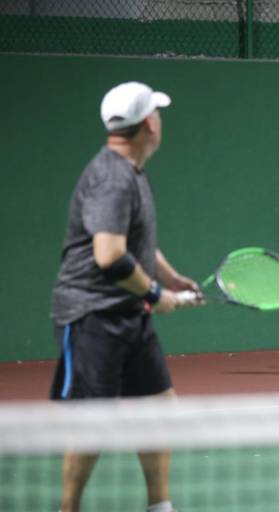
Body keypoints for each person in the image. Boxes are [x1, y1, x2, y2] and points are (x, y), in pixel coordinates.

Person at [49, 81, 201, 512]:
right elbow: (110, 257)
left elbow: (136, 245)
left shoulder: (132, 171)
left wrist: (171, 279)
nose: (160, 120)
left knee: (158, 407)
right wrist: (156, 293)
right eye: (158, 113)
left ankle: (159, 505)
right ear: (148, 124)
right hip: (92, 316)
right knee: (93, 422)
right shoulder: (113, 178)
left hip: (128, 313)